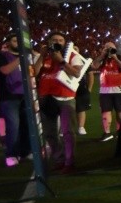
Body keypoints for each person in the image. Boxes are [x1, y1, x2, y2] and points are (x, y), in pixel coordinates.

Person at [34, 32, 84, 173]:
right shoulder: (42, 56)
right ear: (49, 42)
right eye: (54, 40)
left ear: (64, 42)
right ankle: (60, 158)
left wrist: (61, 61)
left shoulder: (72, 55)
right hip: (46, 98)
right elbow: (33, 73)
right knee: (49, 133)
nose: (57, 42)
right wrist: (42, 56)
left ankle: (69, 161)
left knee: (68, 132)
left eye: (60, 40)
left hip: (65, 98)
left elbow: (76, 73)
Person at [0, 34, 33, 166]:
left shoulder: (27, 56)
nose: (18, 43)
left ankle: (25, 151)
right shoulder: (1, 56)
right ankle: (11, 154)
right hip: (8, 97)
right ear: (8, 43)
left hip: (24, 95)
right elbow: (5, 70)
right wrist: (20, 59)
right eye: (15, 40)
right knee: (13, 126)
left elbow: (32, 73)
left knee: (26, 125)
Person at [91, 42, 121, 142]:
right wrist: (102, 55)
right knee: (105, 111)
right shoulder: (102, 58)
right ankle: (107, 133)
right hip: (105, 90)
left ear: (115, 49)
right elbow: (94, 66)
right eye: (107, 48)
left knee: (120, 113)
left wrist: (115, 58)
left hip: (120, 89)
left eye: (111, 48)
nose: (109, 50)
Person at [74, 45, 94, 136]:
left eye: (76, 48)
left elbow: (90, 75)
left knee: (81, 108)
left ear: (79, 50)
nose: (74, 50)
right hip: (67, 87)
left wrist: (89, 89)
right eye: (72, 48)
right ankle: (63, 128)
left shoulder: (83, 60)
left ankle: (81, 127)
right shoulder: (65, 60)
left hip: (80, 88)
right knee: (66, 107)